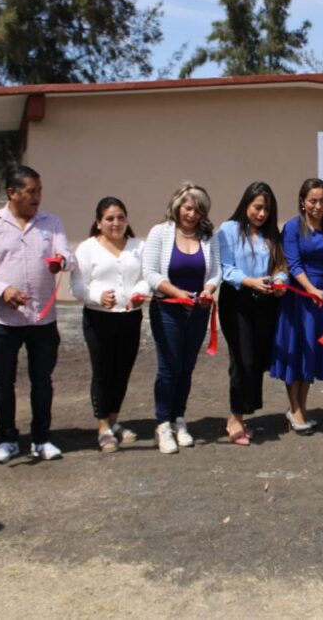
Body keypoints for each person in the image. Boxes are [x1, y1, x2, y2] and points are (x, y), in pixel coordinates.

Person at [0, 165, 74, 463]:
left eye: (39, 191)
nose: (37, 197)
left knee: (42, 381)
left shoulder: (51, 223)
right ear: (11, 193)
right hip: (4, 321)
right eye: (31, 191)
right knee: (3, 382)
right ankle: (7, 439)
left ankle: (41, 438)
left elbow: (68, 255)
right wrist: (3, 290)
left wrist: (61, 261)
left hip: (42, 320)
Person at [142, 182, 221, 454]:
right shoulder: (160, 233)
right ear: (178, 207)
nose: (192, 215)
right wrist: (177, 292)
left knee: (187, 367)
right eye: (188, 208)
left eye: (198, 210)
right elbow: (150, 273)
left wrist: (208, 290)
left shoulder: (209, 236)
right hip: (167, 309)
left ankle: (178, 418)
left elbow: (215, 273)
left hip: (198, 311)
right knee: (168, 367)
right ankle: (162, 423)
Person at [70, 197, 148, 453]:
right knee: (103, 372)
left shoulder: (138, 246)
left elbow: (147, 277)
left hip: (129, 317)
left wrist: (139, 292)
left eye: (121, 217)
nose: (116, 223)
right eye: (110, 218)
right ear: (99, 223)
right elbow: (77, 286)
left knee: (122, 370)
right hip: (98, 318)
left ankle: (114, 421)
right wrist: (97, 297)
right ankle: (103, 425)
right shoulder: (87, 248)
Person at [269, 178, 323, 435]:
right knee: (297, 350)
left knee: (312, 351)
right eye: (312, 200)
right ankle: (295, 408)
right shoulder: (292, 228)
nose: (318, 205)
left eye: (322, 201)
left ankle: (302, 406)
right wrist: (311, 290)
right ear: (303, 201)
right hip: (300, 295)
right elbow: (294, 263)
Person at [217, 182, 287, 446]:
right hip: (237, 302)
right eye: (257, 207)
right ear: (246, 204)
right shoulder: (229, 230)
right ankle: (234, 417)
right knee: (241, 359)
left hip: (266, 303)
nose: (261, 214)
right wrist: (250, 281)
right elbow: (225, 268)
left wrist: (279, 282)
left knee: (257, 358)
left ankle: (244, 413)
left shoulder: (271, 233)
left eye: (266, 210)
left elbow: (280, 265)